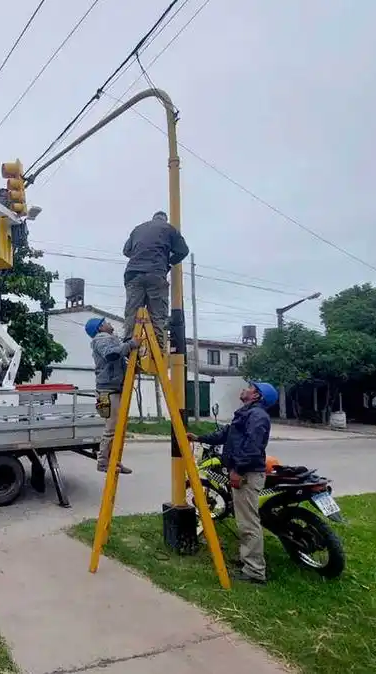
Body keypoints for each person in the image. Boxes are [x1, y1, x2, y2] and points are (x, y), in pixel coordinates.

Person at [187, 381, 278, 584]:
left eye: (250, 388)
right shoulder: (246, 413)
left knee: (248, 523)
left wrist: (238, 470)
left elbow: (252, 447)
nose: (244, 389)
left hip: (247, 474)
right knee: (244, 520)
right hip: (242, 471)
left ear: (256, 396)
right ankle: (248, 560)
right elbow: (226, 434)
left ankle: (255, 572)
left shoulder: (257, 417)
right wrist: (199, 437)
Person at [122, 210, 189, 347]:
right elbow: (183, 251)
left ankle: (129, 341)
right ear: (165, 219)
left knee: (132, 311)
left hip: (134, 274)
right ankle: (158, 345)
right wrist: (168, 262)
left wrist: (140, 256)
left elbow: (126, 251)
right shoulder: (170, 229)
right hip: (156, 274)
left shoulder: (138, 229)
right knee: (157, 314)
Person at [86, 316, 137, 474]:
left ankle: (113, 460)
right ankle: (103, 462)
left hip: (106, 390)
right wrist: (130, 344)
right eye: (106, 323)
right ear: (100, 328)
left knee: (113, 427)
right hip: (108, 391)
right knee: (111, 428)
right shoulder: (101, 339)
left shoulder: (107, 338)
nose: (110, 325)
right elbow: (111, 355)